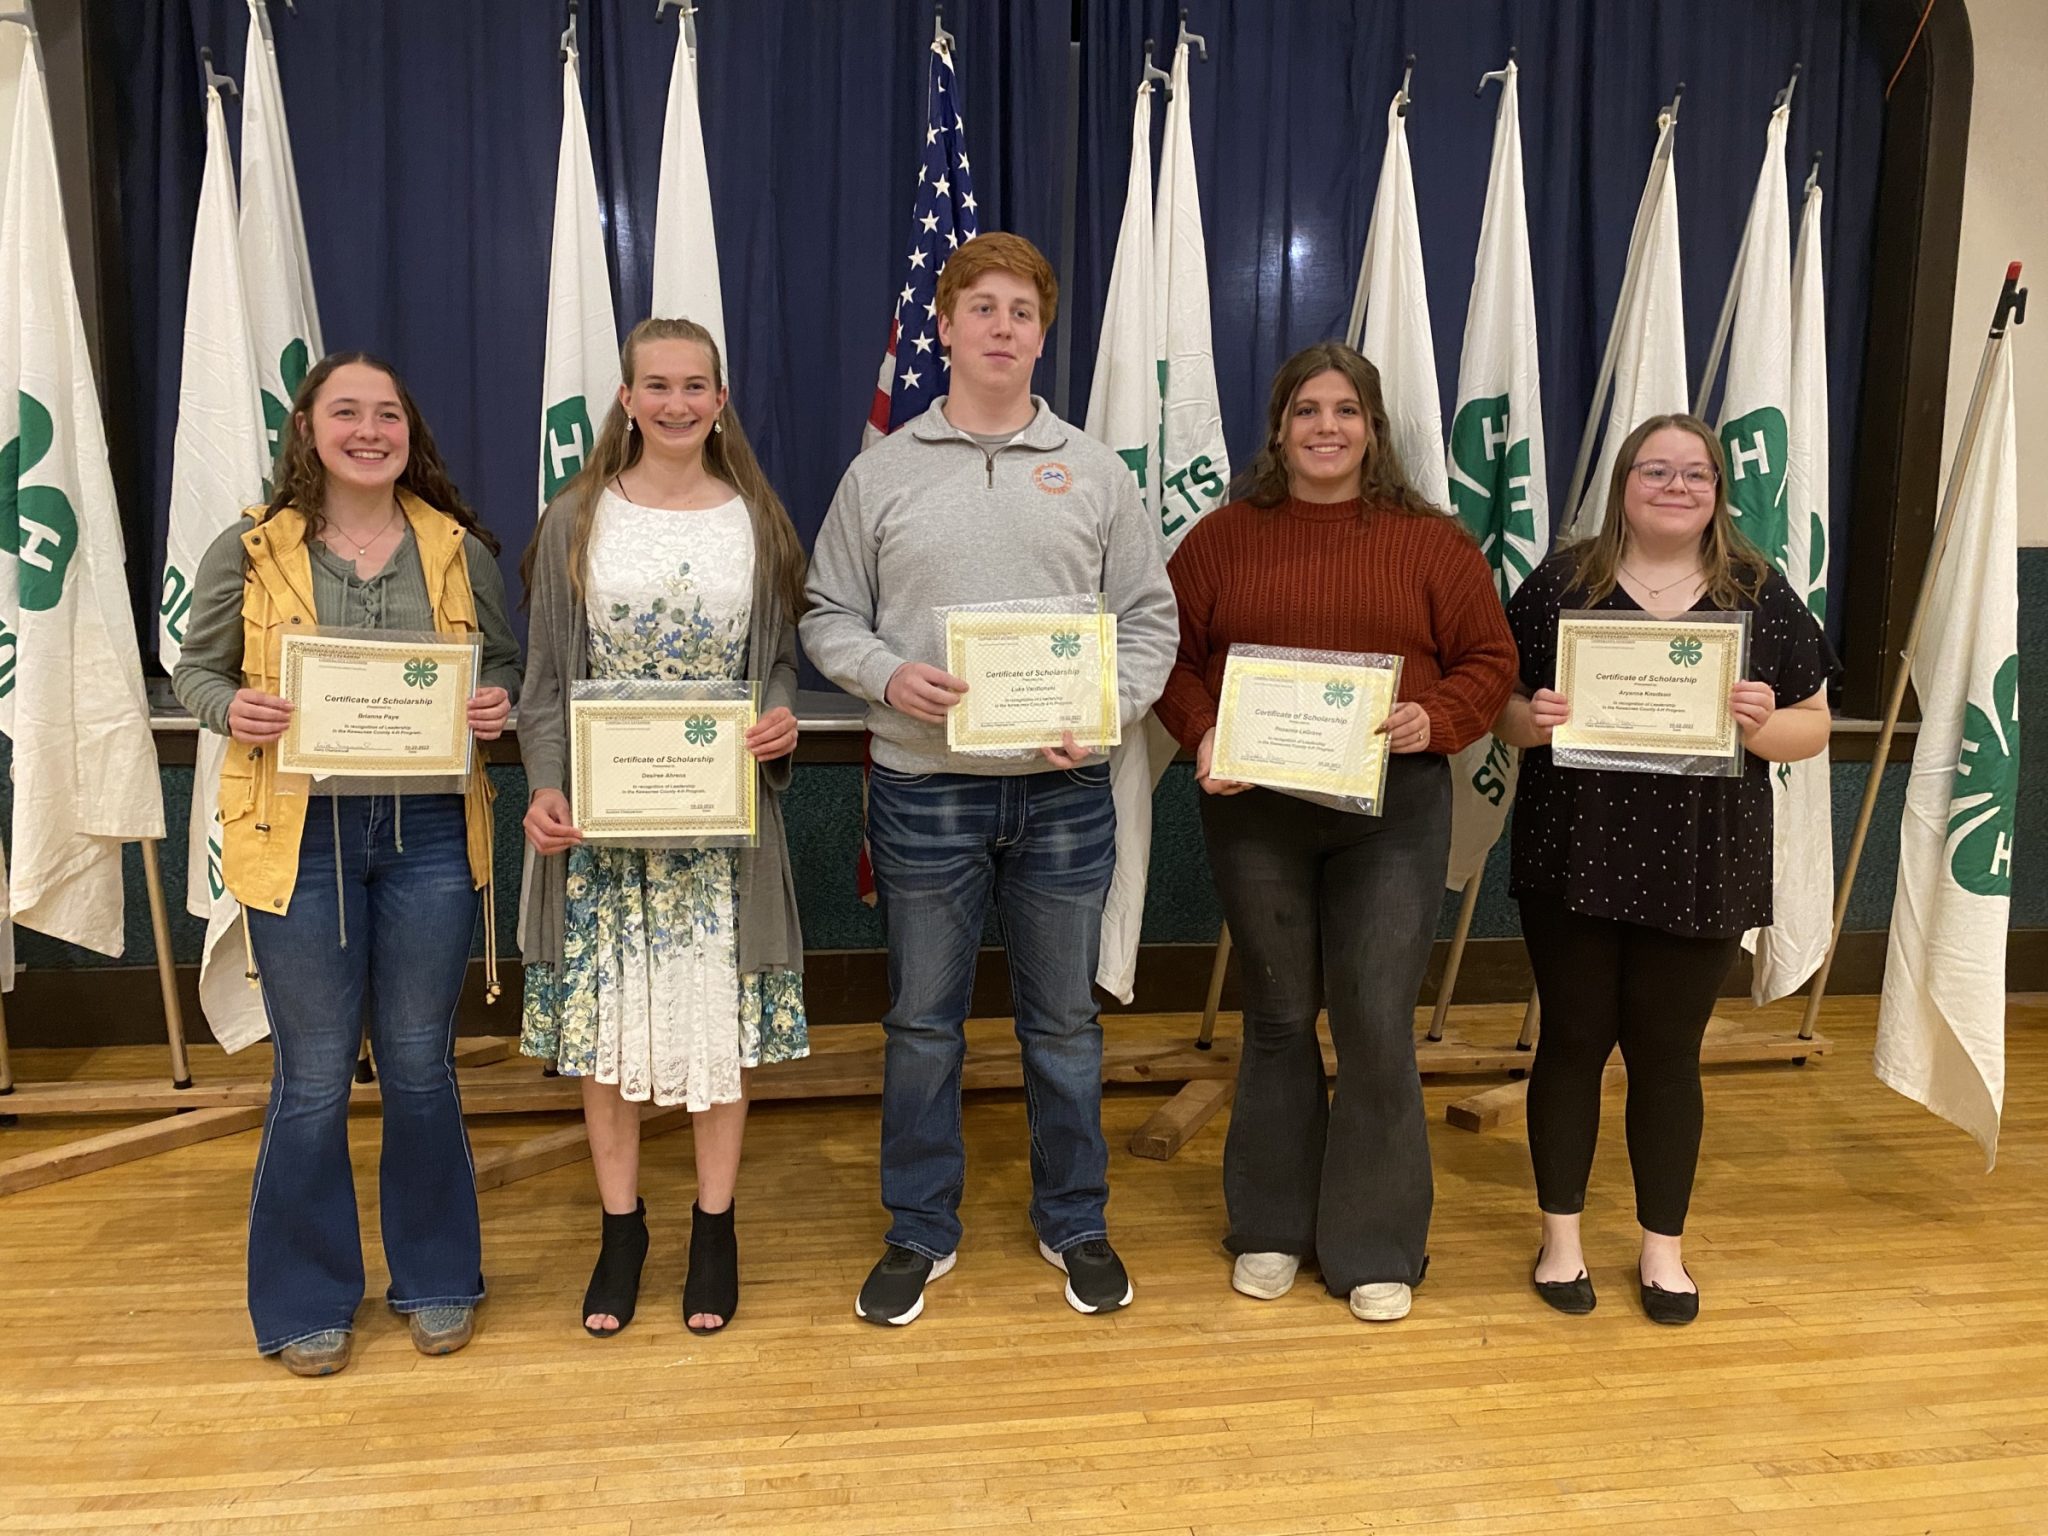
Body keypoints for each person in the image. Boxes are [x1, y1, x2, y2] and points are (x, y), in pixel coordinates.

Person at [802, 232, 1177, 1326]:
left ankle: (1075, 1218)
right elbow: (826, 614)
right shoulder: (880, 472)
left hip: (1064, 792)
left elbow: (1149, 621)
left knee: (1060, 1024)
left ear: (1041, 334)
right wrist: (883, 675)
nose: (1002, 327)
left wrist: (1108, 712)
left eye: (1022, 311)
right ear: (944, 325)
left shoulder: (1096, 473)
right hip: (924, 788)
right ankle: (919, 1227)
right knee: (922, 1024)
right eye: (983, 308)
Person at [1154, 342, 1517, 1324]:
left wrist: (1430, 719)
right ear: (1277, 428)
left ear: (1372, 427)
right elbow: (1173, 662)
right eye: (1305, 410)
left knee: (1371, 1025)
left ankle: (1373, 1244)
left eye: (1344, 411)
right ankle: (1269, 1228)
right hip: (1256, 812)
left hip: (1390, 812)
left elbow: (1488, 659)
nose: (1324, 427)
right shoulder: (1221, 539)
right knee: (1275, 1019)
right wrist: (1202, 729)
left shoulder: (1433, 544)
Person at [172, 353, 520, 1376]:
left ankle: (438, 1277)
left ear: (410, 432)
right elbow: (192, 669)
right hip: (301, 839)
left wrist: (491, 708)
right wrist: (228, 707)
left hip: (424, 838)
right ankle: (304, 1296)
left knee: (419, 1068)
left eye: (387, 415)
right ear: (309, 430)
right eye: (346, 414)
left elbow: (495, 666)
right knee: (314, 1077)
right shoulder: (246, 549)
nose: (369, 431)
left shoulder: (460, 551)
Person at [1493, 413, 1832, 1325]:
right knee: (1571, 1042)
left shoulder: (1758, 590)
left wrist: (1766, 723)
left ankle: (1662, 1250)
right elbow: (1504, 710)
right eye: (1657, 471)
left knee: (1667, 1056)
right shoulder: (1565, 580)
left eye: (1696, 474)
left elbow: (1815, 726)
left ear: (1718, 490)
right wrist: (1536, 719)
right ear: (1623, 483)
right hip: (1575, 851)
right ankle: (1559, 1238)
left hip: (1703, 860)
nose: (1676, 487)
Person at [518, 317, 807, 1339]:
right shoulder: (576, 519)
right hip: (603, 833)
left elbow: (778, 663)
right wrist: (545, 787)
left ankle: (715, 1229)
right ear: (627, 400)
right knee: (610, 1037)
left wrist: (778, 722)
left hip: (718, 829)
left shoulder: (758, 521)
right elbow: (544, 684)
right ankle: (621, 1230)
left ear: (719, 401)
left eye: (695, 386)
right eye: (657, 386)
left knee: (715, 1031)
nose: (677, 403)